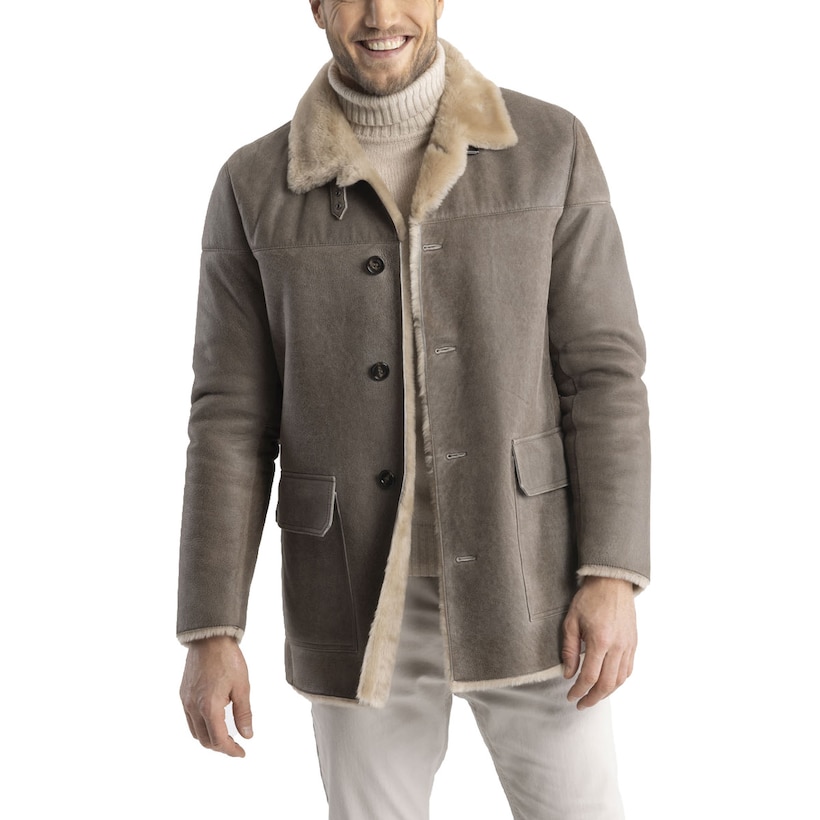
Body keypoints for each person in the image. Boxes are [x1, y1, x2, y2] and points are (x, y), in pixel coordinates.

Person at [178, 1, 650, 817]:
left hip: (532, 580)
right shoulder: (254, 183)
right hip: (353, 594)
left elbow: (604, 374)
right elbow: (229, 419)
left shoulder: (550, 147)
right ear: (316, 6)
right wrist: (212, 628)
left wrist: (611, 573)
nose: (380, 15)